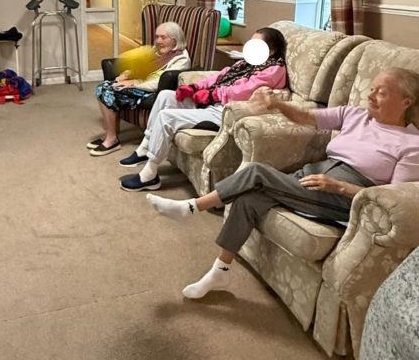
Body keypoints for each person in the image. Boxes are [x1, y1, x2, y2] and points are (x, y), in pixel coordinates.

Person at [145, 67, 419, 298]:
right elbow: (307, 117)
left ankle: (191, 208)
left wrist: (340, 187)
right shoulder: (356, 115)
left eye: (381, 92)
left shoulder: (412, 145)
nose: (370, 95)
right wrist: (277, 104)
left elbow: (392, 201)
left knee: (256, 173)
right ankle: (220, 272)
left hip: (345, 198)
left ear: (406, 102)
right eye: (371, 89)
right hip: (313, 177)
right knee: (249, 197)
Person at [119, 27, 287, 191]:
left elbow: (245, 91)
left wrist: (213, 94)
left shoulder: (274, 70)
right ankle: (145, 146)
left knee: (166, 117)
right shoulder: (245, 64)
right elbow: (219, 76)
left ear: (271, 50)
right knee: (165, 96)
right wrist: (194, 87)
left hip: (224, 111)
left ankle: (150, 174)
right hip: (213, 103)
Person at [88, 22, 190, 156]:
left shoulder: (181, 59)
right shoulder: (157, 52)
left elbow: (158, 83)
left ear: (175, 40)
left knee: (105, 90)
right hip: (141, 85)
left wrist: (134, 83)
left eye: (163, 37)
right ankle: (110, 134)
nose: (158, 41)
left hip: (153, 92)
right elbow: (142, 67)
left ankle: (112, 139)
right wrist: (126, 75)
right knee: (104, 87)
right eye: (157, 37)